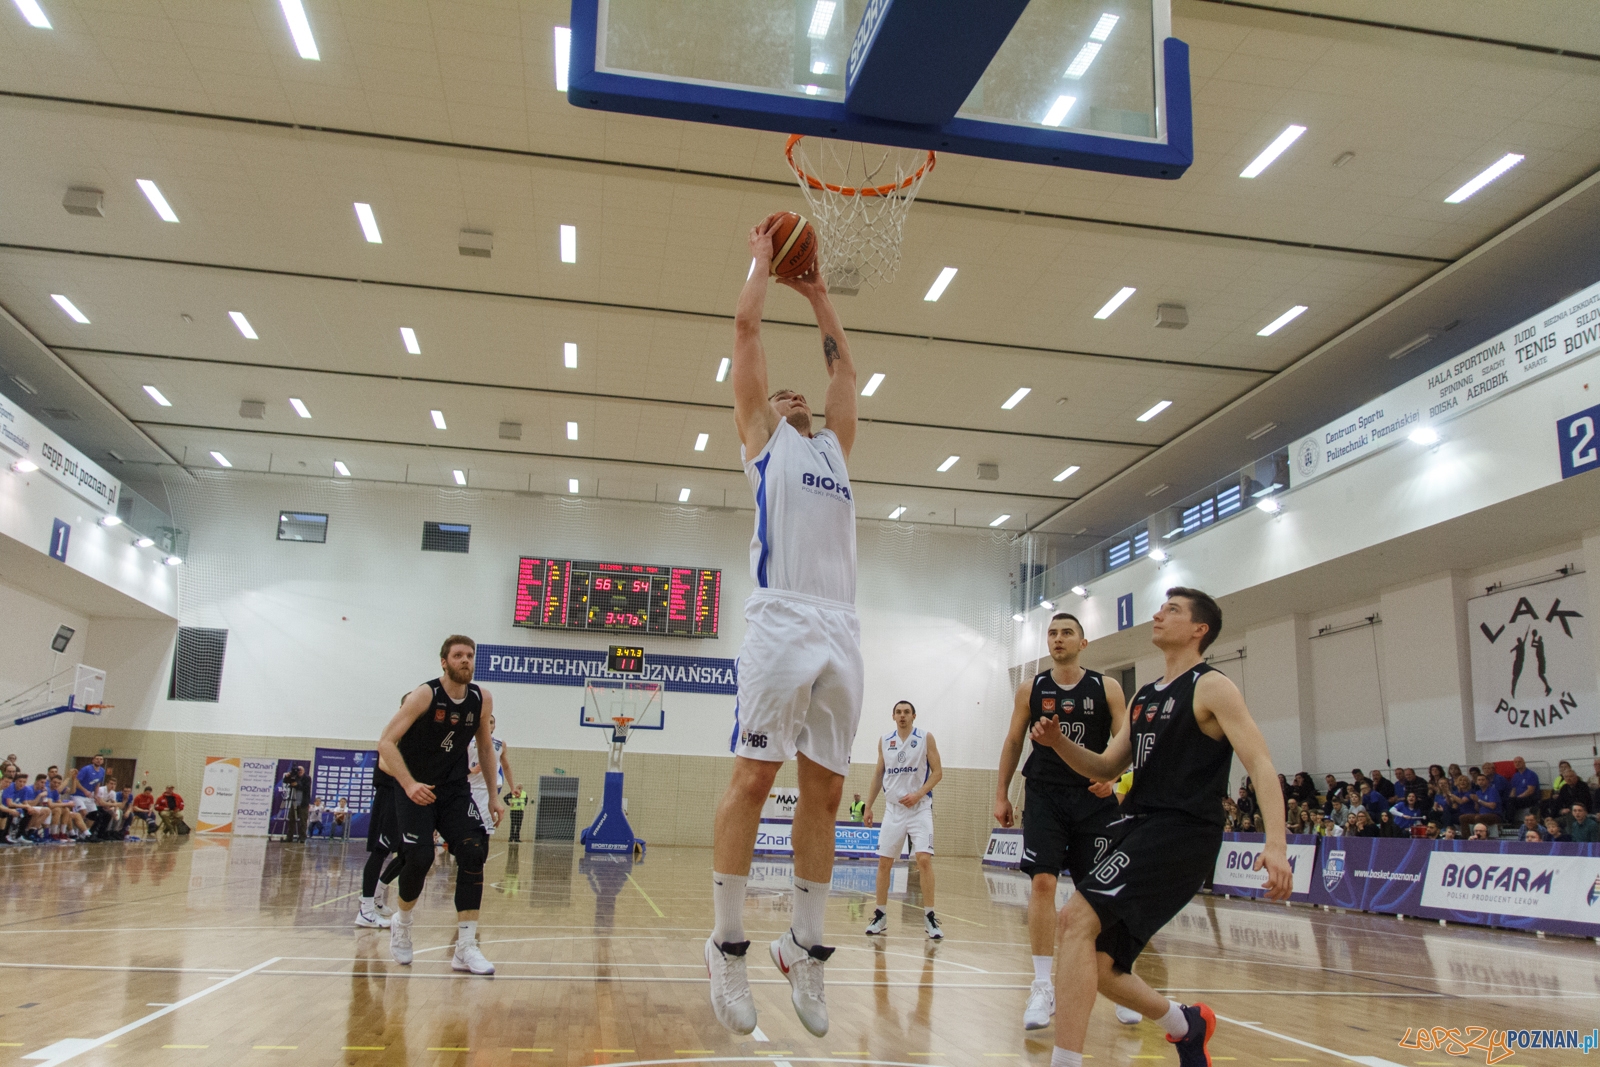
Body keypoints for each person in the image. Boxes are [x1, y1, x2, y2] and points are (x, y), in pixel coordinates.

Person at [705, 215, 862, 1040]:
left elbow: (845, 370)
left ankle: (803, 945)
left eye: (800, 395)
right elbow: (745, 331)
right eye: (780, 394)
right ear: (762, 414)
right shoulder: (764, 446)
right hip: (782, 616)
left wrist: (819, 291)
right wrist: (764, 265)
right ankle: (727, 943)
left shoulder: (834, 450)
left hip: (842, 625)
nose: (793, 394)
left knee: (827, 790)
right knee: (754, 778)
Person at [1034, 588, 1291, 1067]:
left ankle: (1064, 1062)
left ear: (1199, 630)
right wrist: (1058, 744)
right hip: (1137, 828)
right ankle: (1186, 1024)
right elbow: (1106, 766)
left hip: (1181, 833)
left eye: (1172, 610)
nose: (1158, 614)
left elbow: (1259, 762)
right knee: (1098, 965)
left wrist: (1275, 844)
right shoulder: (1145, 696)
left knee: (1073, 920)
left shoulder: (1211, 686)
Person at [995, 612, 1146, 1032]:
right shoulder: (1031, 688)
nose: (1058, 639)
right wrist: (1001, 793)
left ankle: (1119, 979)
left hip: (1093, 800)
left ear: (1083, 642)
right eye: (1052, 633)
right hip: (1045, 796)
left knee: (1100, 893)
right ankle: (1042, 985)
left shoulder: (1106, 687)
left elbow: (1126, 742)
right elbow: (1013, 741)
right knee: (1042, 882)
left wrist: (1115, 778)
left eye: (1066, 633)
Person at [377, 635, 503, 976]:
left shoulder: (481, 698)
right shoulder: (425, 695)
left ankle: (465, 947)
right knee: (420, 858)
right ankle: (402, 922)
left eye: (470, 655)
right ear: (444, 662)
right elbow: (386, 743)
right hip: (416, 788)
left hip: (454, 790)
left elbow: (486, 748)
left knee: (474, 851)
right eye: (458, 655)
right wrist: (409, 784)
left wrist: (494, 796)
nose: (465, 660)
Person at [862, 701, 944, 939]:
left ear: (914, 716)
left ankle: (930, 917)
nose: (902, 715)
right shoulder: (885, 740)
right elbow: (878, 774)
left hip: (920, 808)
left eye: (907, 712)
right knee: (884, 862)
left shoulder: (925, 738)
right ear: (893, 716)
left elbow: (938, 772)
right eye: (898, 712)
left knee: (924, 859)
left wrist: (919, 793)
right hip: (894, 810)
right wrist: (868, 806)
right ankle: (880, 915)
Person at [467, 711, 516, 838]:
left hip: (488, 791)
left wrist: (512, 788)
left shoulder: (500, 744)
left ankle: (483, 850)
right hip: (469, 788)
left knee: (486, 829)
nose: (488, 724)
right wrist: (470, 770)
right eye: (486, 722)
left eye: (491, 722)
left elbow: (506, 767)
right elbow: (456, 763)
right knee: (467, 827)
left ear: (494, 726)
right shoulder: (468, 741)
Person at [282, 766, 309, 842]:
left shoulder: (307, 778)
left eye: (301, 770)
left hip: (303, 803)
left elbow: (305, 787)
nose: (299, 771)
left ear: (304, 771)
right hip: (294, 802)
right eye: (298, 770)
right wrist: (287, 776)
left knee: (303, 821)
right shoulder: (294, 777)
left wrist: (296, 785)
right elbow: (285, 781)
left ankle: (302, 838)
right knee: (291, 820)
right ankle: (289, 837)